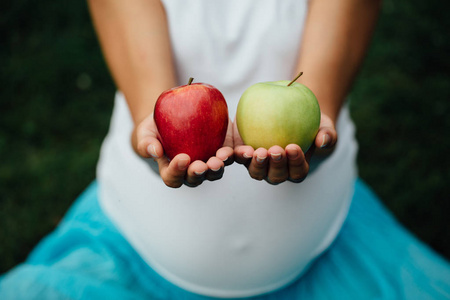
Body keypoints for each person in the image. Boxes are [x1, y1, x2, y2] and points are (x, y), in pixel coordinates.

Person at [1, 0, 449, 299]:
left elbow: (323, 84)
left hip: (324, 246)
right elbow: (153, 98)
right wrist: (155, 132)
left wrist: (318, 128)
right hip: (131, 249)